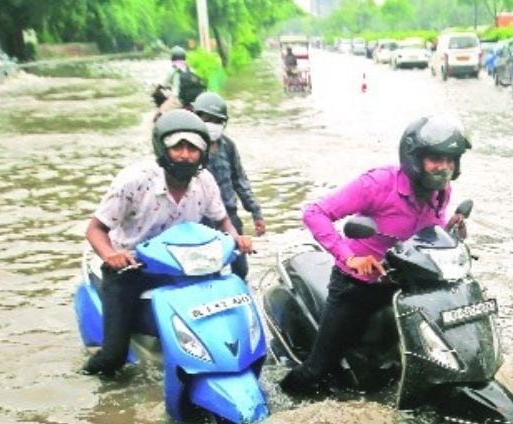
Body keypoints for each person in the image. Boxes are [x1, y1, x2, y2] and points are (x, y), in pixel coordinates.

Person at [279, 114, 472, 396]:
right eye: (436, 159)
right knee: (318, 369)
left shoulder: (441, 191)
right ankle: (279, 401)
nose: (443, 167)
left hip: (408, 289)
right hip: (359, 288)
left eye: (450, 160)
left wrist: (448, 232)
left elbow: (426, 234)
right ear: (415, 159)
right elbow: (315, 213)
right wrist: (349, 257)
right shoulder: (378, 184)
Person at [82, 110, 254, 377]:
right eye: (178, 147)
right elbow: (95, 229)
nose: (185, 155)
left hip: (186, 267)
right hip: (132, 268)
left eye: (193, 149)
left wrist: (237, 238)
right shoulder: (135, 181)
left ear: (203, 153)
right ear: (163, 148)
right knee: (113, 359)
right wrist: (110, 255)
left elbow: (223, 222)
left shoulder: (205, 181)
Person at [193, 92, 266, 282]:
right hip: (200, 219)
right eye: (208, 119)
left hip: (229, 216)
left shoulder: (228, 146)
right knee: (205, 270)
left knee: (239, 268)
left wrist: (256, 212)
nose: (213, 124)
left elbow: (240, 181)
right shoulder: (190, 149)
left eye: (217, 120)